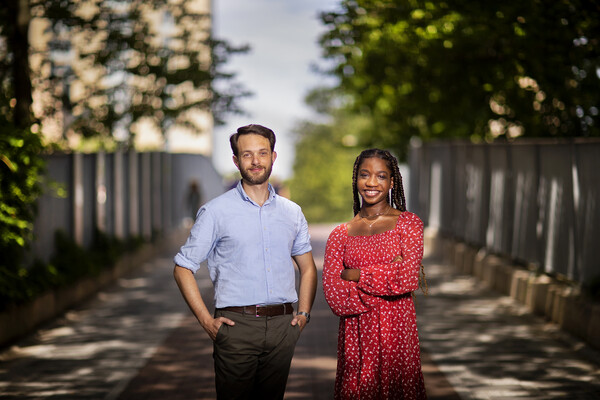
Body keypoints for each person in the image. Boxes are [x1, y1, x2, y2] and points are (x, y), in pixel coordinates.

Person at [173, 124, 317, 400]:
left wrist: (304, 315)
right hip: (236, 327)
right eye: (247, 154)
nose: (255, 161)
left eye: (262, 153)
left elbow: (308, 267)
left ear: (273, 157)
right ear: (236, 160)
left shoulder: (292, 212)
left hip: (283, 328)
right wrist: (206, 321)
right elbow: (183, 268)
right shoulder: (216, 212)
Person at [322, 148, 427, 399]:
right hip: (356, 337)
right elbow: (334, 295)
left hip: (397, 334)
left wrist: (355, 274)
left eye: (381, 176)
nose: (371, 183)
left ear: (392, 182)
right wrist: (388, 277)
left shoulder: (409, 224)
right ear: (355, 179)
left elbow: (408, 277)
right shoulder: (340, 234)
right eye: (364, 174)